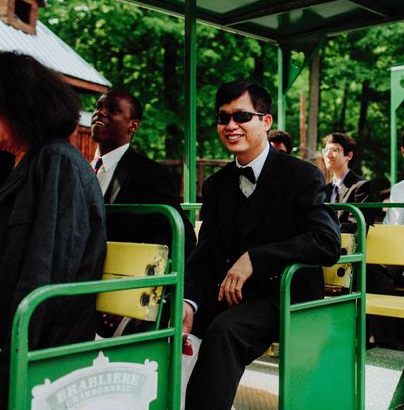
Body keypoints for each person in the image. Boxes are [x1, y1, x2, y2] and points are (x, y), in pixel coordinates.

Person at [182, 80, 341, 409]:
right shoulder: (216, 185)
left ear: (266, 122)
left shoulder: (302, 176)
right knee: (164, 319)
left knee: (225, 331)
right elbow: (206, 253)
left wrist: (256, 258)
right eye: (223, 118)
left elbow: (327, 242)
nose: (230, 126)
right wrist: (189, 302)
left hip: (282, 294)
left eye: (241, 116)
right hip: (229, 294)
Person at [0, 52, 106, 409]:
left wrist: (18, 344)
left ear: (20, 109)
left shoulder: (57, 163)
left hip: (42, 340)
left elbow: (48, 268)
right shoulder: (16, 162)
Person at [90, 90, 197, 337]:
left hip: (120, 293)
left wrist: (129, 297)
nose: (100, 112)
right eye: (98, 106)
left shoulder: (148, 175)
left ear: (133, 125)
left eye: (113, 109)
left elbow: (182, 240)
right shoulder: (81, 170)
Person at [322, 132, 395, 347]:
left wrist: (326, 231)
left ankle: (374, 340)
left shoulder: (361, 187)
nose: (329, 154)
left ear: (349, 155)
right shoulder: (324, 190)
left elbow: (358, 226)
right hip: (331, 255)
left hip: (355, 257)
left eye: (335, 149)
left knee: (372, 278)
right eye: (326, 149)